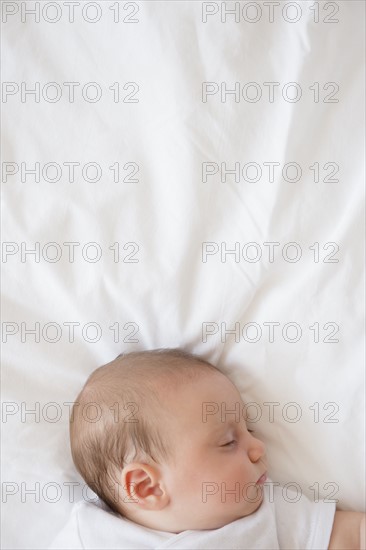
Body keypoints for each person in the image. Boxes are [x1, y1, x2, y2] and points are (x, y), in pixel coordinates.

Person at [49, 349, 366, 549]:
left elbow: (350, 535)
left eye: (249, 430)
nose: (257, 447)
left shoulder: (269, 513)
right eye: (229, 442)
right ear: (146, 486)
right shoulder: (92, 536)